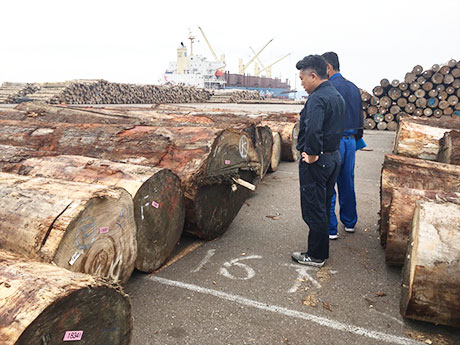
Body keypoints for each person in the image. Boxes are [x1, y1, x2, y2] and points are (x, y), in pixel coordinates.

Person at [291, 55, 345, 267]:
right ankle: (320, 251)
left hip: (318, 160)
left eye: (302, 78)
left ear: (313, 75)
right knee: (323, 204)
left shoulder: (317, 99)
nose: (301, 83)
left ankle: (315, 255)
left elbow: (313, 129)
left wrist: (312, 154)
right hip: (332, 157)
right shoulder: (336, 95)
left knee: (314, 207)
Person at [321, 52, 363, 240]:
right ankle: (350, 222)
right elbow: (360, 118)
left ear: (328, 67)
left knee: (328, 183)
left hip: (334, 141)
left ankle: (330, 229)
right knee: (347, 182)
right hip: (351, 140)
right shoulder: (354, 88)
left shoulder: (327, 87)